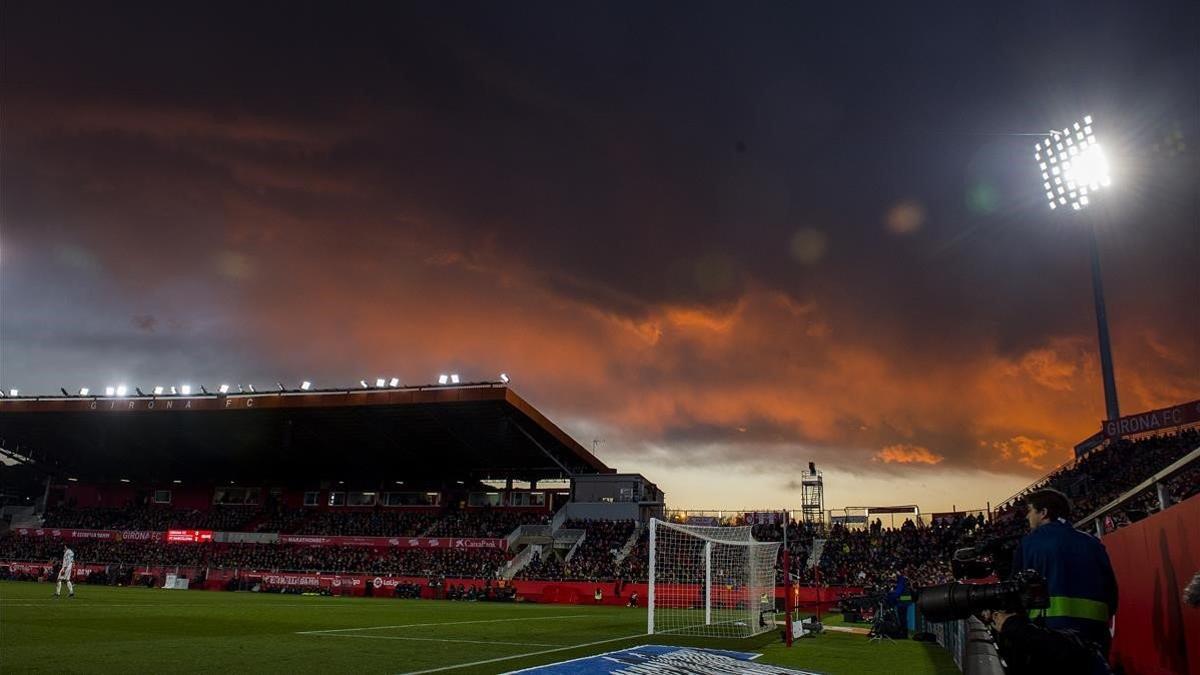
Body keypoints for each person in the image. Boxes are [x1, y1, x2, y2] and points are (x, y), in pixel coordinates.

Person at [1010, 489, 1118, 656]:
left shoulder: (1030, 543)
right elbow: (1111, 592)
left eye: (1030, 510)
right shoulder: (1093, 542)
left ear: (1043, 513)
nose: (1026, 517)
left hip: (1049, 634)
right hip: (1095, 635)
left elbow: (1014, 590)